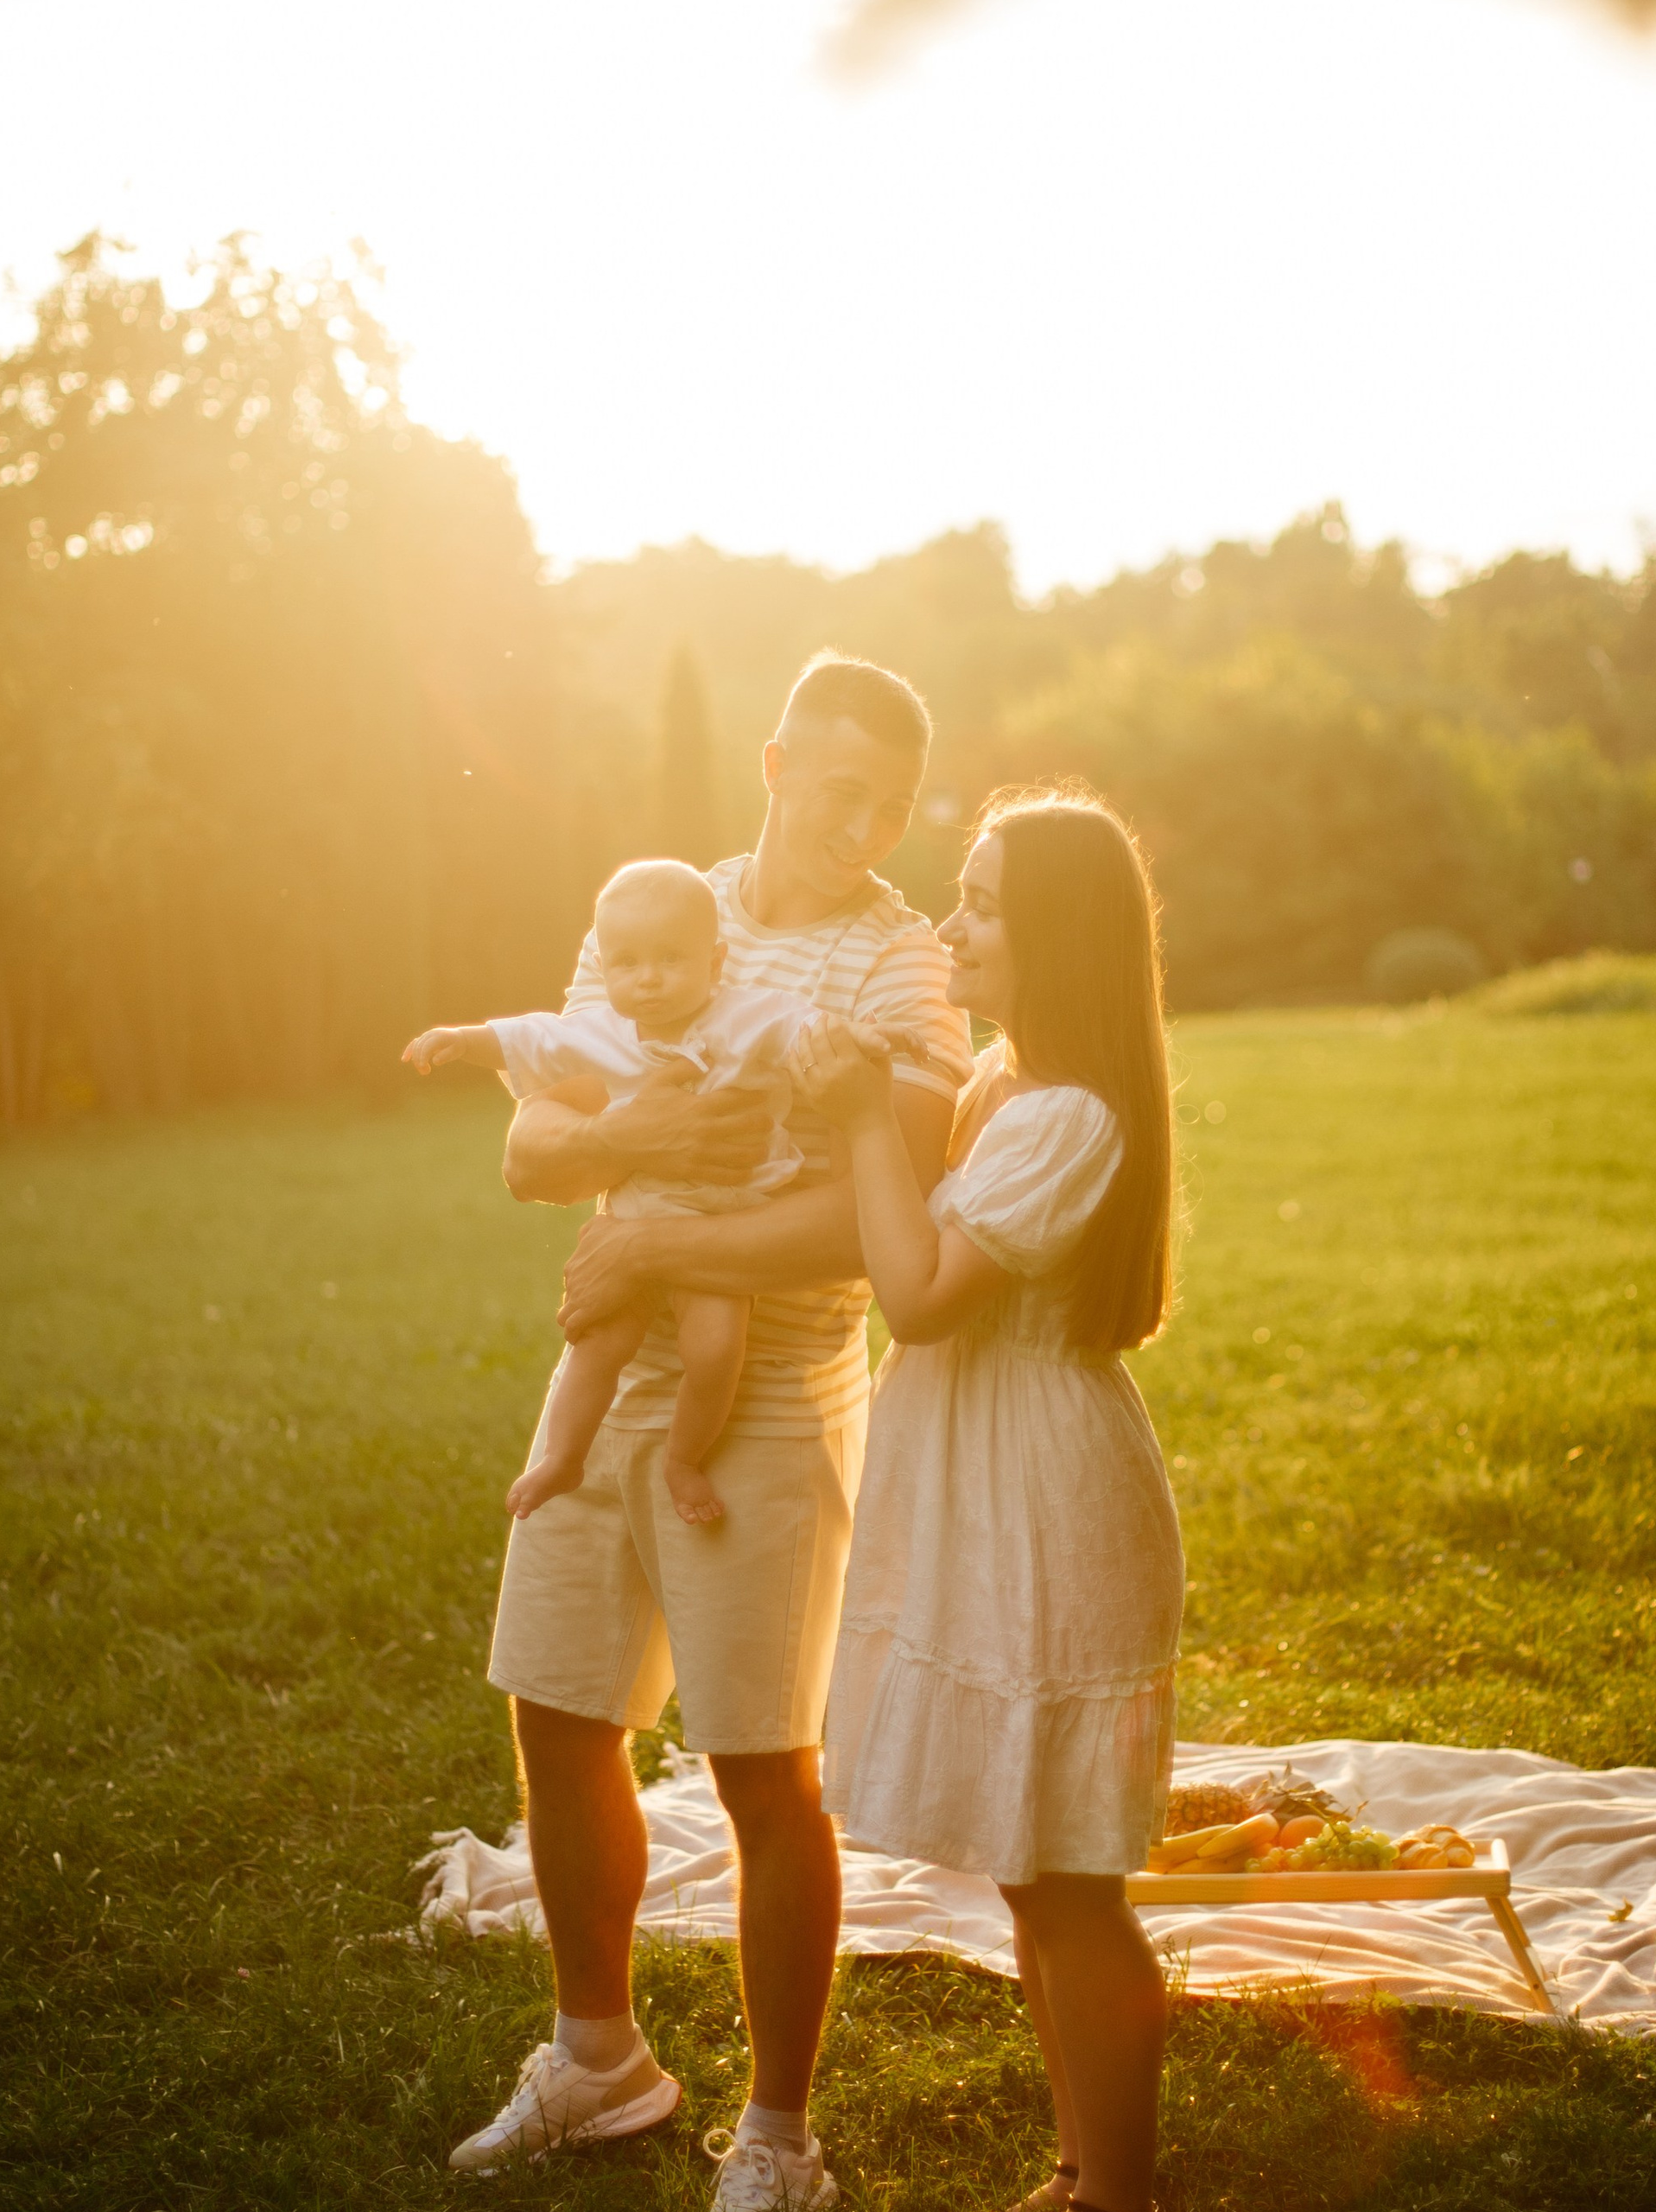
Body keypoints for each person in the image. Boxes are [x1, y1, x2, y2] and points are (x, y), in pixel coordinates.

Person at [449, 655, 974, 2212]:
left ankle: (780, 2140)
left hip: (778, 1394)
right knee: (557, 1715)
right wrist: (642, 1144)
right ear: (771, 763)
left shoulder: (906, 965)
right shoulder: (667, 907)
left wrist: (661, 1241)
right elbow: (534, 1149)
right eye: (836, 792)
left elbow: (885, 1214)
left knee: (761, 1770)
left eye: (890, 806)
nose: (864, 829)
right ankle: (598, 2060)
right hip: (617, 1376)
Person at [795, 787, 1183, 2212]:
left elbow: (922, 1295)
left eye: (981, 902)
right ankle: (1081, 2169)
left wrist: (856, 1123)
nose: (951, 921)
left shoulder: (1070, 1116)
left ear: (1060, 937)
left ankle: (1120, 2196)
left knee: (1071, 1879)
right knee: (1035, 1870)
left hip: (1044, 1502)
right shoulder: (1002, 1083)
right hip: (983, 1483)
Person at [403, 857, 902, 1529]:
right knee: (597, 1343)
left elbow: (807, 1030)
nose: (649, 979)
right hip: (639, 1209)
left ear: (715, 959)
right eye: (628, 963)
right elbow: (533, 1039)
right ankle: (564, 1457)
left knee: (716, 1349)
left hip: (718, 1222)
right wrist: (464, 1041)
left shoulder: (745, 1016)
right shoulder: (604, 1027)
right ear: (605, 967)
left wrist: (864, 1038)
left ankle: (684, 1458)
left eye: (670, 960)